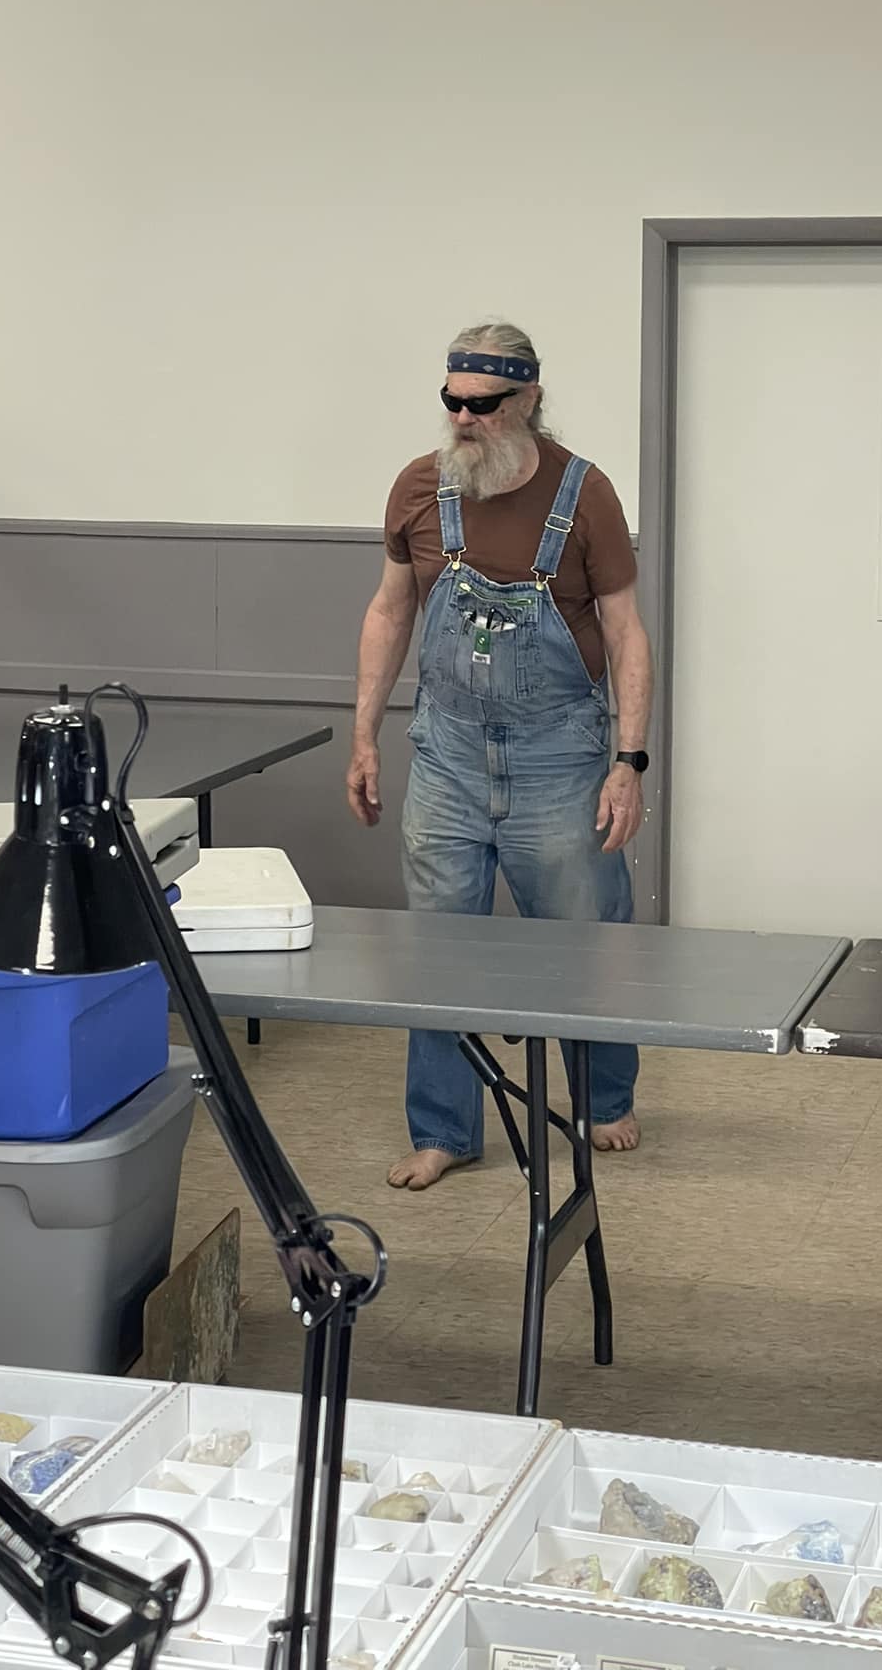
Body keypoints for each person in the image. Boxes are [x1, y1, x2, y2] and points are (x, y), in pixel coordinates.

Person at [347, 323, 655, 1190]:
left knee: (586, 939)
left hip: (560, 753)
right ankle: (445, 1128)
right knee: (438, 948)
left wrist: (628, 760)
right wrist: (364, 733)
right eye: (451, 401)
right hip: (445, 751)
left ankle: (604, 1097)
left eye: (482, 404)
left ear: (526, 400)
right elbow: (389, 611)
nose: (463, 418)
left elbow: (628, 634)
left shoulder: (584, 496)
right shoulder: (418, 487)